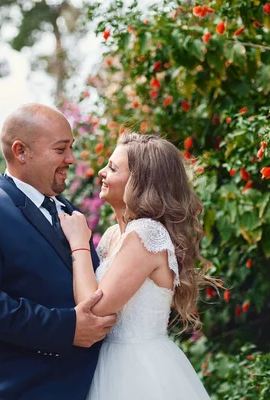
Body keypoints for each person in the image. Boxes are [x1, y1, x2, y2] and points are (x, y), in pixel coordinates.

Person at [0, 104, 117, 399]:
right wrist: (67, 328)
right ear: (21, 151)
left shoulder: (70, 213)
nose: (71, 159)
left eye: (70, 148)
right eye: (60, 150)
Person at [60, 133, 215, 399]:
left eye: (112, 168)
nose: (101, 172)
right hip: (107, 361)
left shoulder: (146, 233)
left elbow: (93, 308)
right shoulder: (113, 235)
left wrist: (79, 244)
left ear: (140, 181)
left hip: (137, 369)